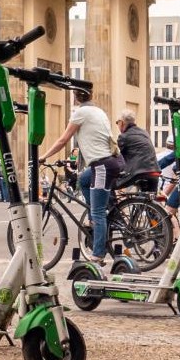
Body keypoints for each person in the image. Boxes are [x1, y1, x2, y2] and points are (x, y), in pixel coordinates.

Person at [41, 86, 122, 263]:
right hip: (109, 162)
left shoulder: (81, 113)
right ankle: (93, 218)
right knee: (83, 180)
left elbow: (63, 139)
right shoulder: (99, 111)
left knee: (99, 211)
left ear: (76, 98)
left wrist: (43, 157)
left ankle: (98, 255)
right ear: (91, 95)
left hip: (101, 165)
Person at [116, 111, 158, 190]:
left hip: (139, 173)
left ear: (121, 123)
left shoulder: (124, 137)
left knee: (108, 185)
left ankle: (110, 202)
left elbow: (117, 156)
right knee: (147, 200)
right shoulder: (144, 133)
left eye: (117, 122)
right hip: (154, 172)